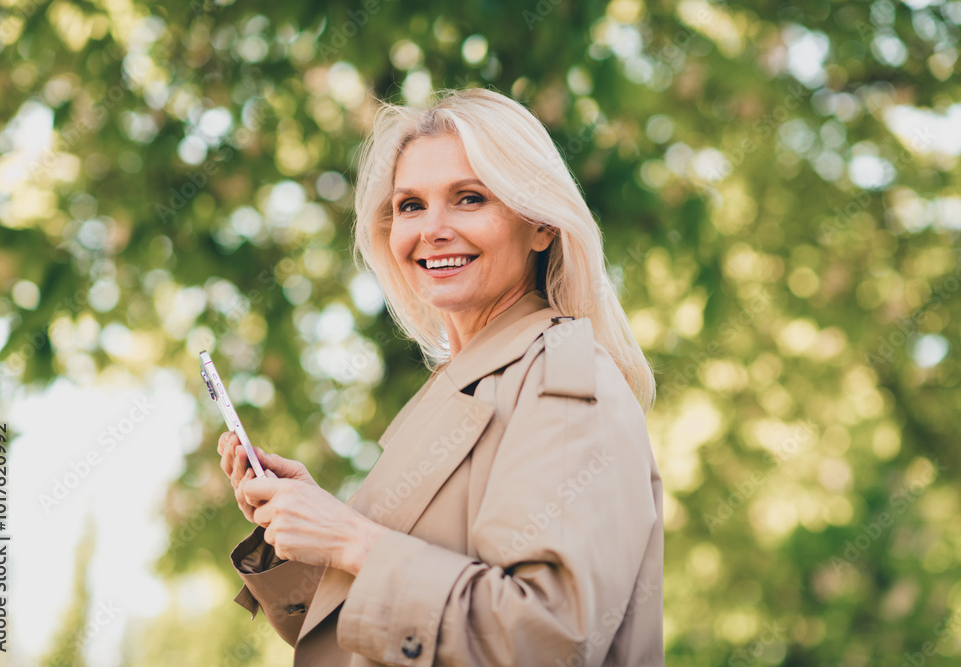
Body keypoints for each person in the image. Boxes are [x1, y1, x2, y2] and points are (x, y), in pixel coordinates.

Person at [217, 86, 663, 666]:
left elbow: (548, 640)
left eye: (470, 198)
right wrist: (302, 529)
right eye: (410, 206)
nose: (433, 229)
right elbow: (383, 633)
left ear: (541, 226)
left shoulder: (566, 383)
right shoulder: (452, 394)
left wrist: (352, 538)